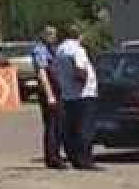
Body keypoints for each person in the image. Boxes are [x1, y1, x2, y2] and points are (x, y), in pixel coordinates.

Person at [53, 25, 99, 171]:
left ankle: (74, 158)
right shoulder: (77, 50)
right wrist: (83, 82)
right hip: (83, 94)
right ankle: (85, 160)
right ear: (78, 35)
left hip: (68, 94)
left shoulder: (60, 50)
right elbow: (80, 70)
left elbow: (56, 71)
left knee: (72, 128)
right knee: (85, 128)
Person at [31, 25, 65, 169]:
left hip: (58, 89)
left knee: (58, 125)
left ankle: (56, 154)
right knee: (52, 125)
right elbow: (42, 74)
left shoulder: (54, 49)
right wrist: (50, 94)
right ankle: (52, 158)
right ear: (43, 35)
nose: (52, 36)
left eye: (54, 34)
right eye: (49, 34)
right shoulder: (40, 50)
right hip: (48, 90)